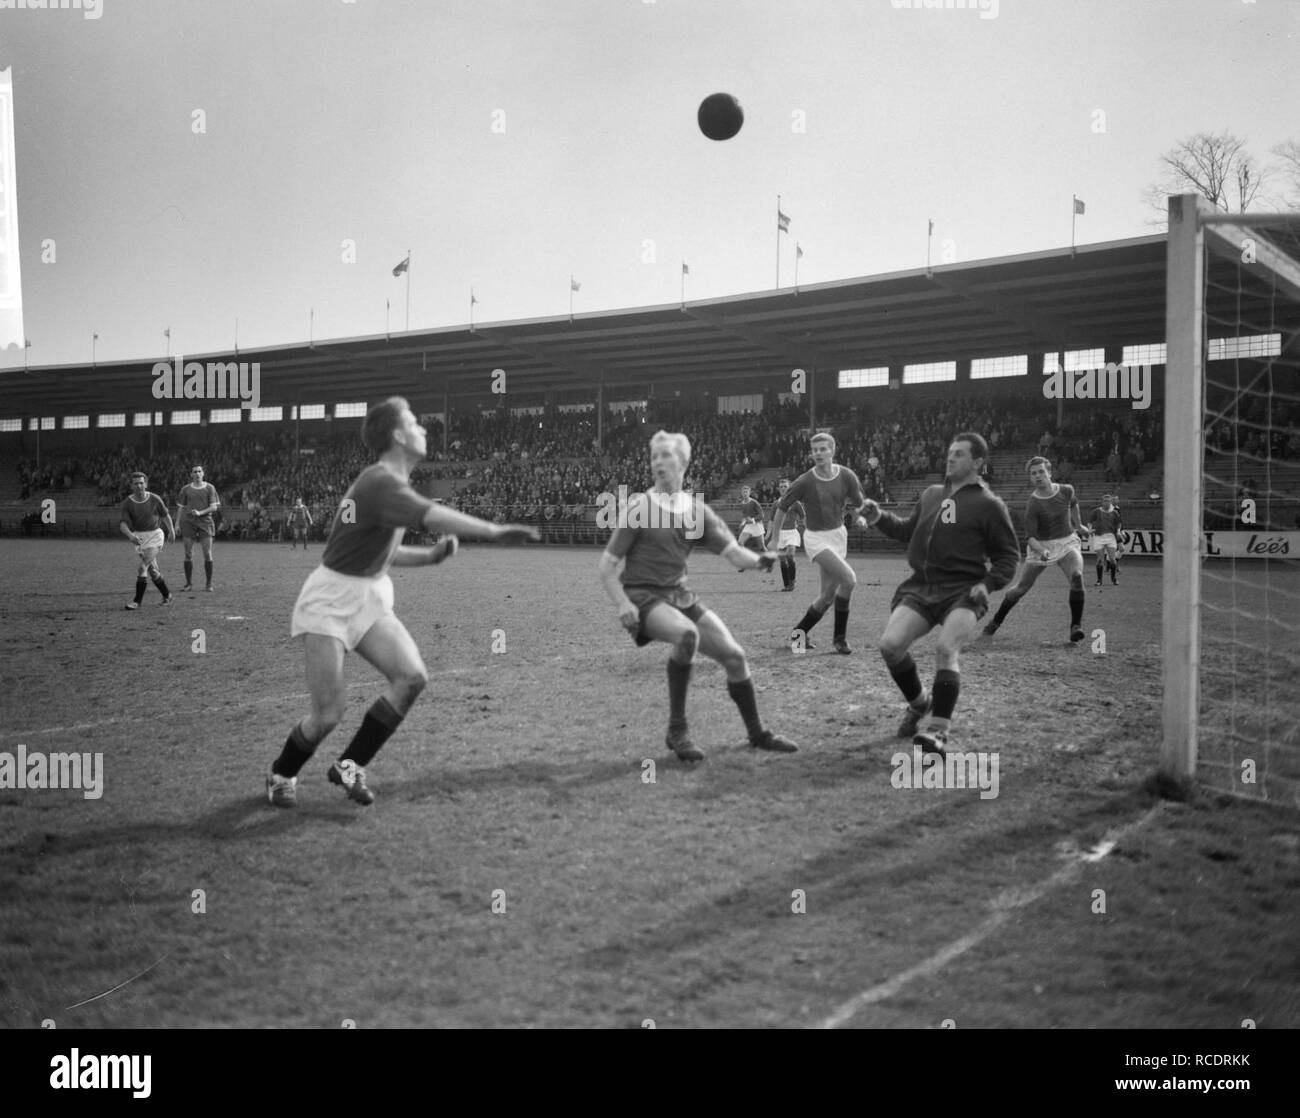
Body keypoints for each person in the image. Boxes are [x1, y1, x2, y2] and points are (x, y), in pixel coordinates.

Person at [266, 397, 539, 809]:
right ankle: (281, 774)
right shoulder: (380, 482)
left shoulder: (388, 484)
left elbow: (379, 552)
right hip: (329, 601)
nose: (424, 429)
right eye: (415, 422)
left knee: (412, 677)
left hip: (369, 594)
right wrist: (495, 530)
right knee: (329, 713)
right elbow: (432, 516)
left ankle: (349, 765)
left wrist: (428, 558)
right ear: (397, 435)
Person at [598, 430, 797, 762]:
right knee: (686, 635)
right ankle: (677, 731)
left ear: (684, 462)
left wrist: (761, 560)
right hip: (642, 595)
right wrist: (622, 603)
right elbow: (606, 567)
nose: (658, 462)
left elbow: (734, 553)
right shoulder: (639, 506)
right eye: (654, 456)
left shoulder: (695, 511)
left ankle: (758, 734)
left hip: (680, 595)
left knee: (735, 657)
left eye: (666, 455)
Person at [857, 433, 1020, 757]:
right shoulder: (931, 494)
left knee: (946, 649)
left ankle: (938, 732)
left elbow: (1008, 557)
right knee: (890, 646)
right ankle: (920, 704)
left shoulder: (989, 505)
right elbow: (907, 531)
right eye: (949, 452)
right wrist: (879, 517)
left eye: (959, 454)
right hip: (922, 587)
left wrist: (987, 584)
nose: (950, 458)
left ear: (977, 463)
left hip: (964, 591)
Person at [768, 432, 865, 654]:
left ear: (833, 450)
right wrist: (774, 539)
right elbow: (782, 507)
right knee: (849, 580)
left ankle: (798, 636)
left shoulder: (847, 476)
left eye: (823, 449)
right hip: (816, 539)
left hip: (839, 536)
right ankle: (840, 639)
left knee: (827, 596)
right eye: (815, 450)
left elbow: (859, 502)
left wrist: (860, 517)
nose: (819, 453)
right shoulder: (805, 481)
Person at [981, 457, 1089, 643]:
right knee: (1020, 589)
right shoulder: (1033, 504)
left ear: (1050, 473)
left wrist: (1079, 525)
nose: (1038, 476)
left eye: (1041, 471)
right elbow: (1029, 537)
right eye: (1033, 473)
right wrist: (1042, 551)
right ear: (1030, 478)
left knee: (1077, 577)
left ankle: (1075, 627)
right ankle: (994, 623)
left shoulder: (1066, 490)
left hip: (1067, 543)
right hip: (1041, 546)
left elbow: (1073, 504)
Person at [118, 471, 176, 610]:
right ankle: (167, 595)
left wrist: (172, 531)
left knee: (142, 567)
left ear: (146, 484)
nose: (139, 485)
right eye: (136, 483)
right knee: (153, 572)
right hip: (139, 538)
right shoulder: (128, 503)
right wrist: (130, 536)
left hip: (155, 536)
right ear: (131, 486)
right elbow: (123, 524)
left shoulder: (155, 498)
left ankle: (137, 601)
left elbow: (165, 515)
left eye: (141, 483)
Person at [175, 465, 220, 591]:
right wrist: (177, 524)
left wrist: (200, 513)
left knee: (207, 553)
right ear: (191, 474)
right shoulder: (186, 489)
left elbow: (214, 507)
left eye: (199, 471)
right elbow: (181, 507)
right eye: (195, 472)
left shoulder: (210, 487)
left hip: (205, 522)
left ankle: (209, 584)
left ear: (203, 473)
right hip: (188, 523)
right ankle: (188, 584)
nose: (197, 473)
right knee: (188, 554)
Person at [771, 477, 805, 592]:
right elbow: (771, 520)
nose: (783, 488)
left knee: (790, 555)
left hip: (792, 532)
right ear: (778, 489)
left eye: (785, 486)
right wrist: (769, 534)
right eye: (781, 487)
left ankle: (793, 580)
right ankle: (787, 584)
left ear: (789, 488)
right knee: (782, 560)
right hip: (780, 533)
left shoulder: (796, 503)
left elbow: (803, 518)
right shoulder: (776, 504)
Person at [1087, 493, 1123, 587]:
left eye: (1108, 501)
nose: (1107, 503)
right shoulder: (1096, 511)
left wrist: (1118, 531)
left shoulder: (1114, 513)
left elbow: (1119, 523)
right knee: (1099, 560)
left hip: (1111, 537)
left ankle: (1114, 578)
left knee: (1112, 559)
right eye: (1105, 501)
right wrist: (1089, 529)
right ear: (1101, 502)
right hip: (1099, 537)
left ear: (1111, 502)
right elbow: (1090, 521)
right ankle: (1099, 580)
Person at [735, 484, 766, 569]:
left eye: (746, 491)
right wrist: (742, 523)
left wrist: (752, 520)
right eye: (743, 491)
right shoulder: (742, 503)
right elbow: (745, 516)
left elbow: (762, 515)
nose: (745, 493)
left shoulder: (754, 502)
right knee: (740, 543)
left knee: (762, 547)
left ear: (749, 493)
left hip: (757, 525)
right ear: (741, 493)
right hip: (748, 526)